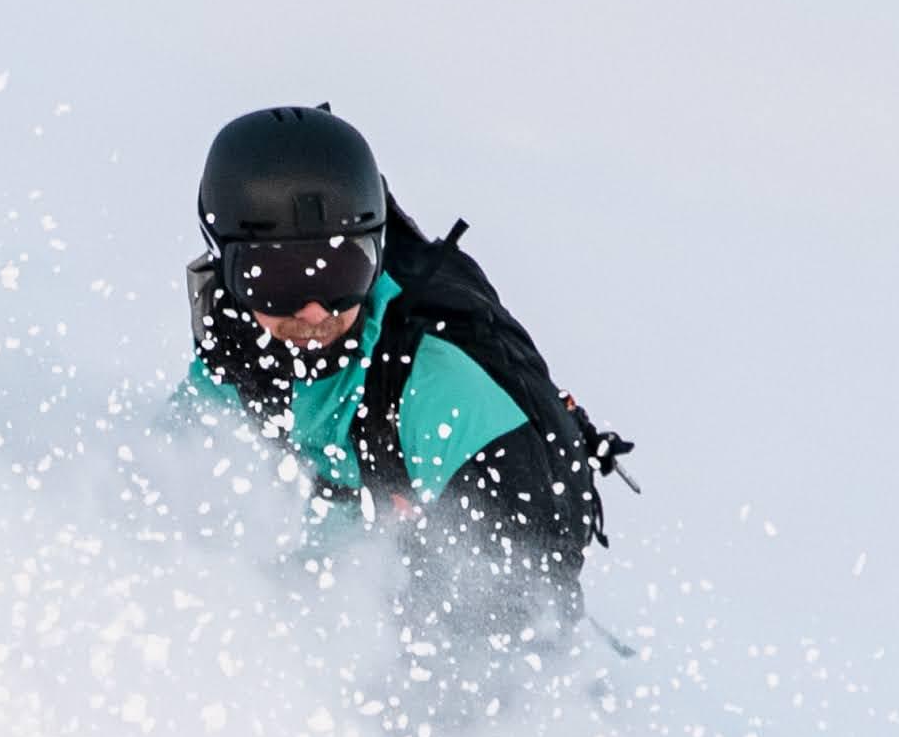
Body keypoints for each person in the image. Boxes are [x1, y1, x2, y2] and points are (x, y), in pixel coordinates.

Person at [181, 102, 625, 666]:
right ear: (228, 269)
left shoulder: (442, 393)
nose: (316, 310)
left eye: (342, 271)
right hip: (313, 611)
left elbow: (530, 619)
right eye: (280, 279)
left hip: (437, 650)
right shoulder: (235, 354)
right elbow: (163, 493)